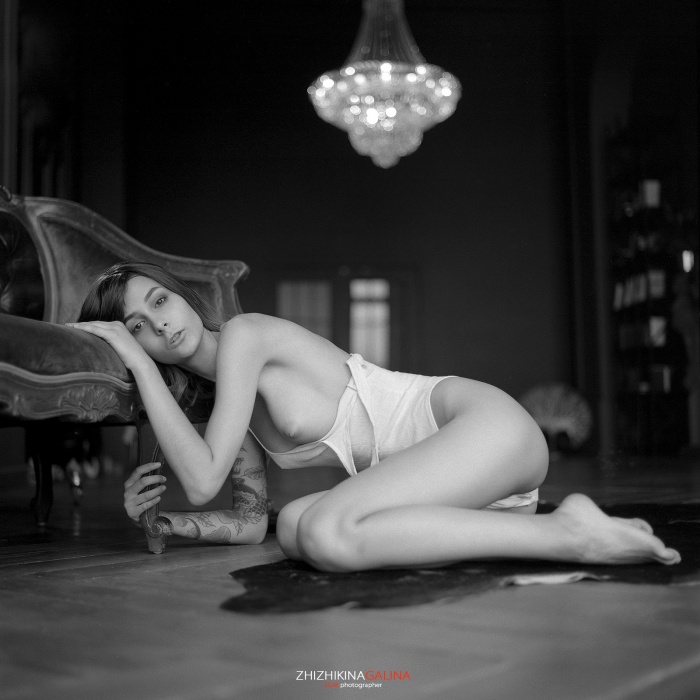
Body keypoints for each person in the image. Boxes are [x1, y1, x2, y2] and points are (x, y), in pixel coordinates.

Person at [67, 262, 681, 572]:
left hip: (485, 428)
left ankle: (568, 533)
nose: (160, 323)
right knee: (295, 526)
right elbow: (251, 523)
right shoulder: (230, 400)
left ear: (180, 293)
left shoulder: (245, 336)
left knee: (326, 531)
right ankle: (526, 529)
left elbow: (201, 479)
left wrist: (139, 366)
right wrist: (164, 522)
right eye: (137, 329)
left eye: (159, 300)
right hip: (467, 478)